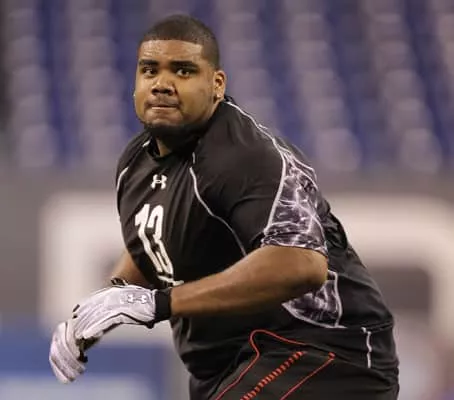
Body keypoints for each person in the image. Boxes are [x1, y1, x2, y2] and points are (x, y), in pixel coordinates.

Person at [49, 14, 399, 399]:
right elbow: (153, 243)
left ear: (217, 85)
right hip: (233, 364)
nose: (162, 83)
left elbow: (301, 264)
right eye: (149, 70)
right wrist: (102, 307)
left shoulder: (244, 155)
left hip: (324, 353)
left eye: (183, 71)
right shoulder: (136, 163)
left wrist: (159, 303)